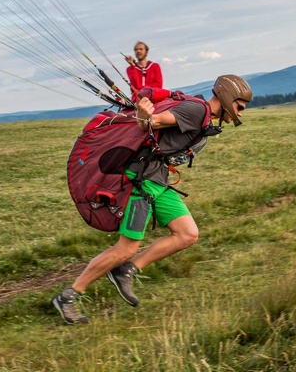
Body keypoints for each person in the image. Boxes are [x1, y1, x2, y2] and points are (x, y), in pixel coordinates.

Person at [53, 74, 253, 324]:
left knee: (187, 234)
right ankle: (69, 296)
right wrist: (144, 114)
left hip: (158, 180)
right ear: (227, 97)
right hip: (142, 181)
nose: (241, 113)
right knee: (126, 247)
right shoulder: (196, 110)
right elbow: (151, 124)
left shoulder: (204, 116)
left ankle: (125, 271)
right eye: (239, 107)